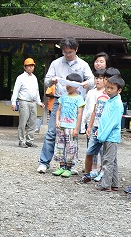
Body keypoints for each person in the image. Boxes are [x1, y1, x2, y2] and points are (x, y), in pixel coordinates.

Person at [37, 38, 94, 173]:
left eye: (70, 52)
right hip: (60, 100)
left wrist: (88, 83)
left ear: (76, 49)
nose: (67, 55)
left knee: (72, 134)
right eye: (65, 52)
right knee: (52, 132)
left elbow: (92, 80)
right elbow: (46, 81)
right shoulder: (56, 63)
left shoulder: (83, 64)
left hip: (75, 103)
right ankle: (44, 162)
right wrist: (52, 80)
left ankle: (71, 165)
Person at [51, 73, 86, 177]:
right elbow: (58, 110)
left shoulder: (79, 98)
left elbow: (80, 114)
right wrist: (57, 120)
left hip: (71, 127)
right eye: (66, 84)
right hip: (62, 126)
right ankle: (61, 166)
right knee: (60, 146)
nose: (68, 86)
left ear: (77, 86)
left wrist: (77, 128)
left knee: (71, 147)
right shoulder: (63, 97)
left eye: (70, 84)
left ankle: (69, 167)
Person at [94, 75, 124, 192]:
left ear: (119, 90)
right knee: (112, 160)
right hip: (107, 135)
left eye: (111, 88)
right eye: (107, 87)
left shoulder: (117, 103)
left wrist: (102, 135)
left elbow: (113, 122)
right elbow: (105, 119)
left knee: (107, 161)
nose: (108, 90)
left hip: (110, 136)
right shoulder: (110, 101)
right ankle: (114, 184)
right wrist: (100, 130)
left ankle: (105, 184)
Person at [80, 70, 109, 183]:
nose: (98, 80)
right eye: (96, 78)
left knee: (102, 149)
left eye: (100, 78)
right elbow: (87, 108)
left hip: (102, 125)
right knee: (91, 148)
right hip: (91, 122)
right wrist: (85, 124)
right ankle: (93, 169)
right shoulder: (90, 92)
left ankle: (103, 170)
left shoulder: (107, 93)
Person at [10, 57, 43, 148]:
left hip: (33, 102)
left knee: (33, 122)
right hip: (23, 101)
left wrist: (39, 102)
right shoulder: (20, 78)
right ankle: (21, 140)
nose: (30, 68)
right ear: (25, 67)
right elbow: (16, 90)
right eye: (28, 66)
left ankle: (29, 140)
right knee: (23, 122)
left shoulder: (34, 78)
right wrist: (13, 102)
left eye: (32, 66)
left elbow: (36, 91)